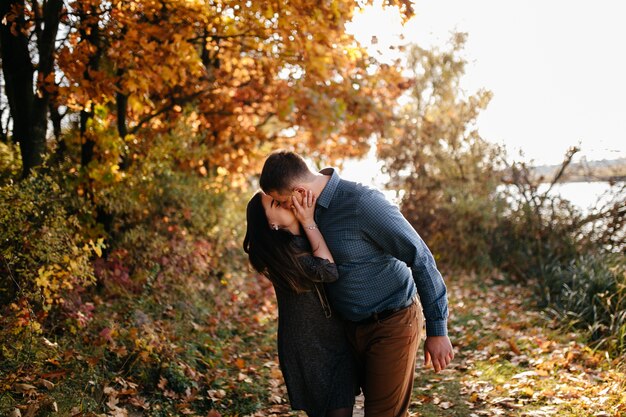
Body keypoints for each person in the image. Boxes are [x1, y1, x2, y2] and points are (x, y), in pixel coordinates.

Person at [259, 150, 454, 417]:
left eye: (283, 202)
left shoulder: (362, 204)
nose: (284, 209)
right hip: (348, 330)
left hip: (392, 321)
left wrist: (438, 329)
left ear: (299, 191)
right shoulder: (305, 217)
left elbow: (419, 256)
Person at [243, 190, 359, 417]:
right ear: (271, 224)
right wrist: (307, 221)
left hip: (337, 340)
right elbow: (327, 271)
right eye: (277, 204)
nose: (286, 203)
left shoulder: (308, 236)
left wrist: (308, 222)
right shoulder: (280, 255)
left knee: (341, 405)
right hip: (308, 346)